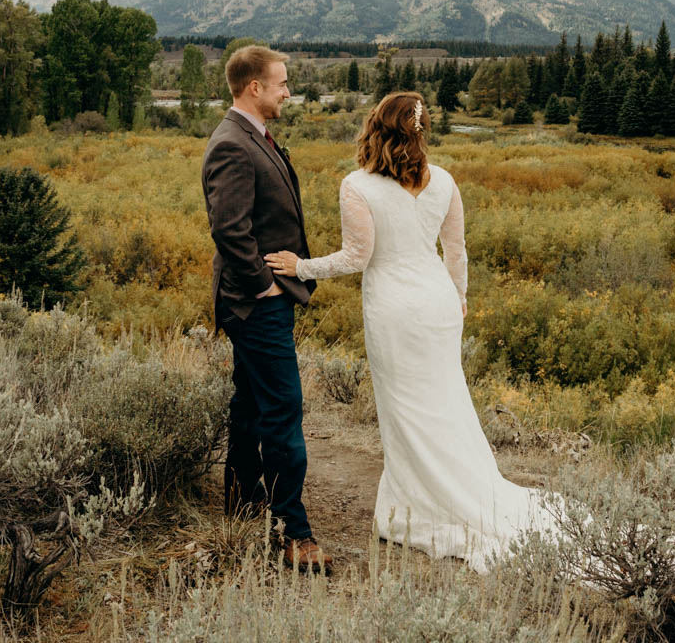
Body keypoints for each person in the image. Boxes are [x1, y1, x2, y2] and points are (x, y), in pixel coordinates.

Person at [265, 90, 560, 571]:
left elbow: (357, 258)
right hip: (440, 303)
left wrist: (301, 267)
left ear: (376, 128)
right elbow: (456, 251)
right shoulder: (443, 181)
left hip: (395, 308)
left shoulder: (357, 185)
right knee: (446, 402)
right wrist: (459, 296)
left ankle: (418, 505)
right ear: (421, 131)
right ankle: (453, 490)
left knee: (405, 408)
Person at [201, 45, 331, 574]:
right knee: (282, 409)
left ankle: (243, 500)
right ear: (254, 86)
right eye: (281, 83)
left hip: (256, 301)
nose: (287, 91)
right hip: (254, 305)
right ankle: (292, 531)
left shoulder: (252, 135)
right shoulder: (232, 144)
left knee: (252, 404)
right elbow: (229, 230)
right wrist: (264, 287)